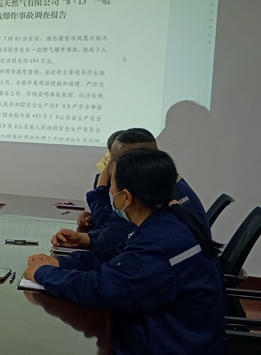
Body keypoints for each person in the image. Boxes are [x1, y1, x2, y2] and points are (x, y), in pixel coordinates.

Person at [25, 148, 224, 354]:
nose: (109, 192)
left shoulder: (159, 244)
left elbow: (102, 289)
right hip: (173, 334)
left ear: (125, 197)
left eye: (111, 185)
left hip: (171, 345)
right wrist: (61, 263)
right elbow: (115, 257)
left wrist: (44, 273)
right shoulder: (167, 223)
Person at [54, 129, 207, 252]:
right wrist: (84, 238)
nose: (109, 165)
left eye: (113, 161)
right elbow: (116, 234)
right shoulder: (161, 184)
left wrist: (101, 188)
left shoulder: (157, 195)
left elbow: (109, 242)